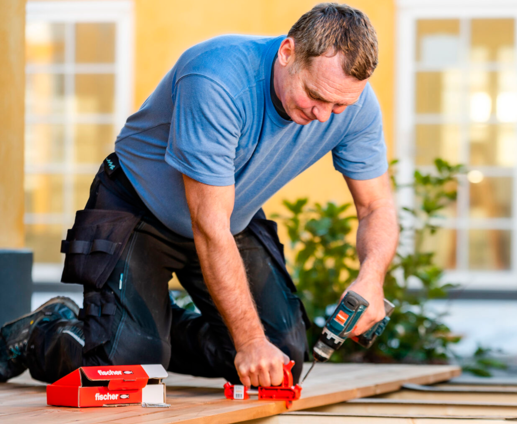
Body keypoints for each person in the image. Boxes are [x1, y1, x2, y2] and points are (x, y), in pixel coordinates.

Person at [0, 3, 398, 388]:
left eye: (340, 104)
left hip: (230, 215)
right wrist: (249, 342)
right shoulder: (217, 78)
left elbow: (375, 205)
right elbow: (208, 226)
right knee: (126, 371)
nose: (324, 115)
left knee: (279, 363)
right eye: (315, 95)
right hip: (141, 210)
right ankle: (49, 332)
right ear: (287, 52)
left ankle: (145, 329)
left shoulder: (357, 106)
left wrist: (372, 277)